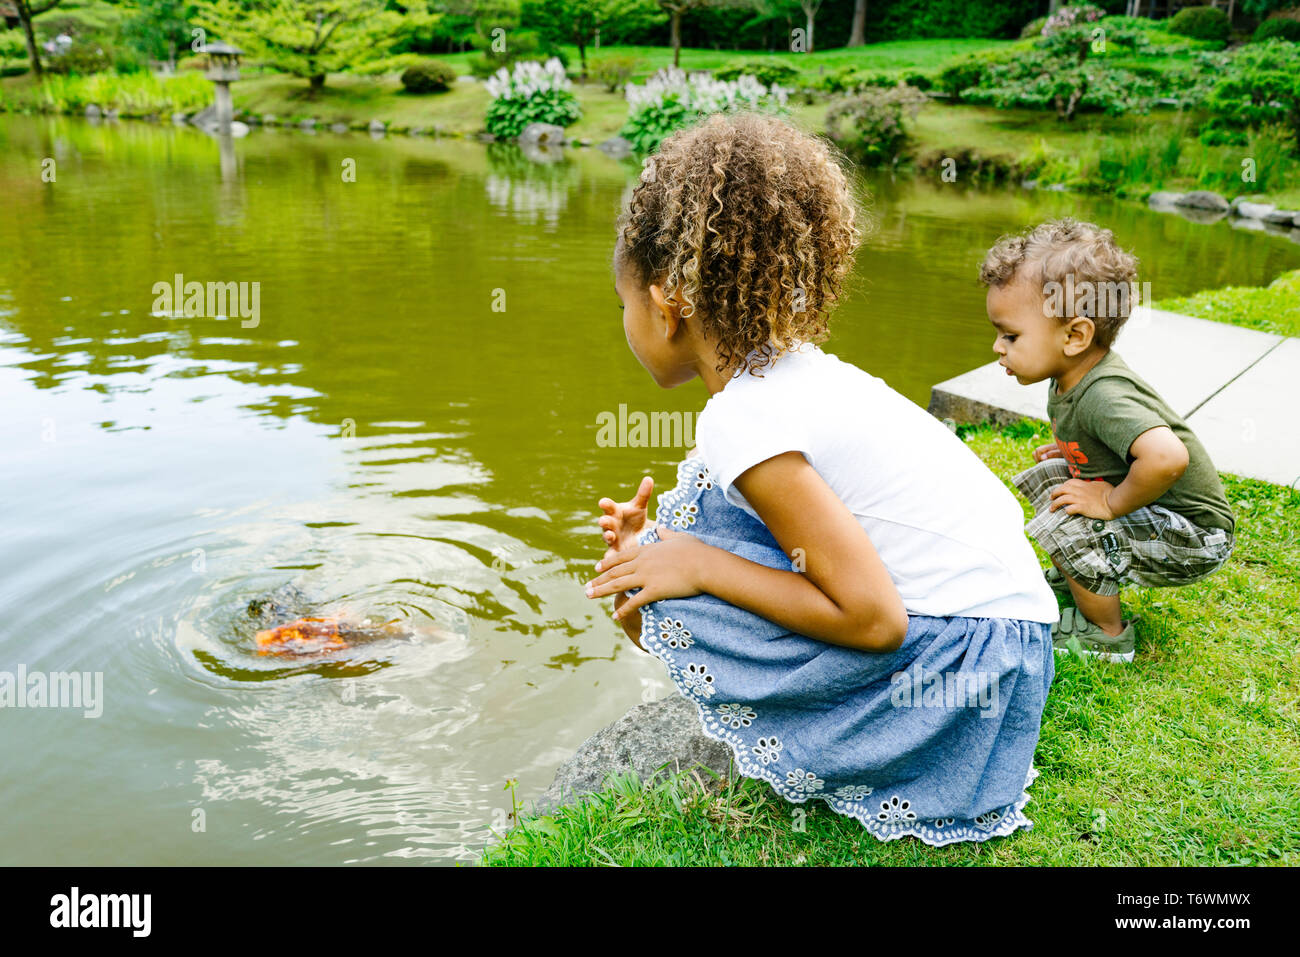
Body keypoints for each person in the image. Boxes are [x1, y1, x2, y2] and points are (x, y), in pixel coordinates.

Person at [583, 112, 1058, 845]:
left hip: (970, 673)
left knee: (685, 575)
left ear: (664, 304)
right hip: (1009, 644)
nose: (624, 323)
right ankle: (676, 582)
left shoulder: (738, 416)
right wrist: (671, 548)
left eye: (621, 306)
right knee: (691, 532)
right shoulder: (789, 373)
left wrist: (697, 564)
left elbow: (875, 619)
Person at [982, 218, 1235, 662]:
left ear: (1075, 336)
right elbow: (1118, 447)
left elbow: (1166, 457)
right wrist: (1073, 451)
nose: (998, 347)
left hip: (1196, 536)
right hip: (1157, 512)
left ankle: (1106, 633)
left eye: (1011, 335)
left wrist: (1111, 503)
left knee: (1072, 521)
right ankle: (1079, 581)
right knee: (1053, 479)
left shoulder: (1104, 394)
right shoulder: (1070, 375)